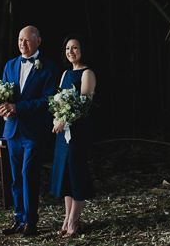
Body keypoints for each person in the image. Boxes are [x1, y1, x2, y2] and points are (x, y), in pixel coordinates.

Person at [0, 26, 60, 238]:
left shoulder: (49, 67)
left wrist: (18, 108)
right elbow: (3, 93)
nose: (23, 44)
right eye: (20, 40)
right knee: (16, 178)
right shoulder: (10, 65)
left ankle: (31, 222)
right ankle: (19, 219)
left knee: (28, 175)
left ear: (38, 41)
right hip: (12, 130)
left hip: (34, 131)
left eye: (28, 41)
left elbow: (48, 100)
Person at [50, 36, 97, 237]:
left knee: (76, 172)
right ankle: (67, 218)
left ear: (82, 50)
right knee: (65, 174)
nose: (70, 51)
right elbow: (59, 101)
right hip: (63, 132)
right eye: (67, 48)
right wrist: (56, 119)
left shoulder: (87, 73)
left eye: (75, 48)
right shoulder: (65, 74)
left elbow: (83, 106)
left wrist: (64, 120)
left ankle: (74, 221)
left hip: (78, 130)